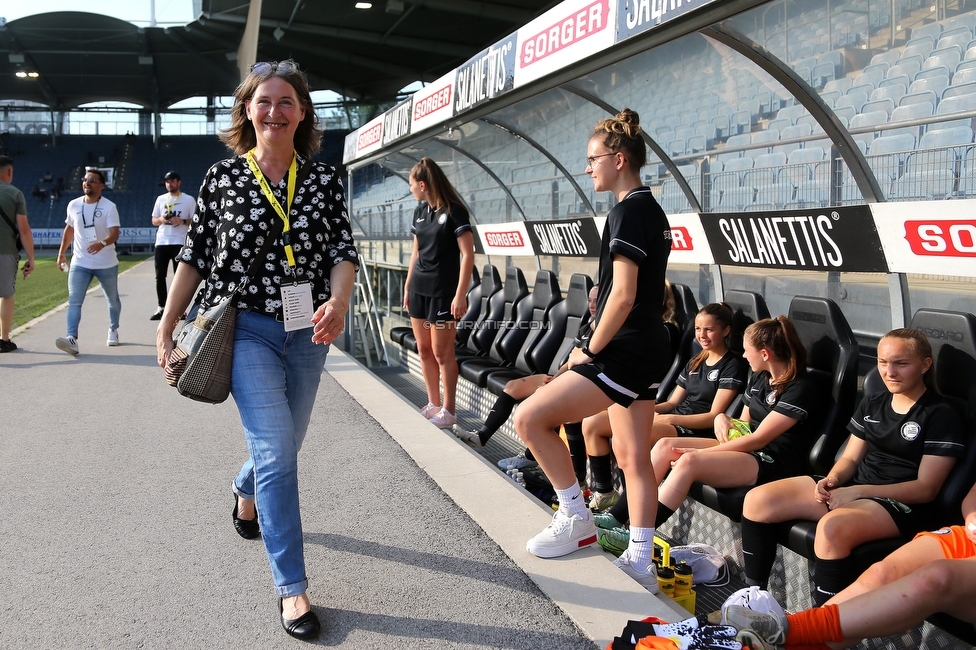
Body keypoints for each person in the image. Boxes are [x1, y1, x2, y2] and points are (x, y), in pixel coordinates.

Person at [155, 59, 357, 641]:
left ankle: (244, 492)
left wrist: (338, 302)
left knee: (284, 447)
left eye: (286, 101)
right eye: (263, 101)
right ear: (247, 110)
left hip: (308, 329)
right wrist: (167, 329)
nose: (274, 111)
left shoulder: (321, 180)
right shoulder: (221, 179)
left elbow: (341, 251)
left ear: (303, 113)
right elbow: (193, 259)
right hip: (243, 329)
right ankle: (292, 590)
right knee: (276, 451)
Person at [515, 108, 673, 594]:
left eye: (593, 159)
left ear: (619, 158)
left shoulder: (628, 210)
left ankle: (575, 516)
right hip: (648, 346)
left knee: (529, 419)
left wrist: (588, 350)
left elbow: (621, 294)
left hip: (623, 350)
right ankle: (641, 557)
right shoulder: (649, 208)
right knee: (632, 456)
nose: (588, 168)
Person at [739, 328, 966, 604]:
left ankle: (823, 627)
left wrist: (858, 493)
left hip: (901, 504)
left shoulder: (941, 414)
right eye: (883, 362)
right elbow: (849, 458)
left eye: (901, 363)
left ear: (924, 365)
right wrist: (832, 479)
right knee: (758, 500)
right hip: (857, 489)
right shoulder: (873, 401)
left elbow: (926, 489)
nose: (889, 372)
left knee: (832, 528)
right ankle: (754, 598)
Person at [725, 478, 976, 650]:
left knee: (935, 578)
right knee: (879, 574)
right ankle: (785, 639)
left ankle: (789, 629)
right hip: (968, 537)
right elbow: (972, 496)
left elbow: (927, 487)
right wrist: (973, 515)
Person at [592, 302, 748, 552]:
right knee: (606, 422)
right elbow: (673, 402)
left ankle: (622, 517)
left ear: (727, 331)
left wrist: (670, 419)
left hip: (695, 429)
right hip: (675, 420)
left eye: (709, 330)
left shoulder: (732, 364)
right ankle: (611, 500)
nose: (702, 335)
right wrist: (645, 410)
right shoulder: (696, 360)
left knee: (633, 440)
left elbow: (713, 416)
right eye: (698, 329)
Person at [650, 316, 817, 529]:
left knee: (689, 462)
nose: (744, 355)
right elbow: (743, 425)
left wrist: (700, 453)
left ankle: (641, 535)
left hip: (771, 460)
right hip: (746, 449)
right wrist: (721, 417)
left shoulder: (800, 389)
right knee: (666, 445)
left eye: (747, 350)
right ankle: (624, 517)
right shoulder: (760, 378)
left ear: (765, 354)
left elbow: (758, 439)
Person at [453, 283, 599, 487]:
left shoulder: (607, 330)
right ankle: (481, 437)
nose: (592, 305)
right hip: (565, 377)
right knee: (513, 386)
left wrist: (555, 386)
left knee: (555, 404)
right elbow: (569, 361)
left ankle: (572, 475)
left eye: (597, 300)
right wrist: (555, 379)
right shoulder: (586, 327)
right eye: (589, 300)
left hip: (586, 386)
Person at [402, 157, 475, 429]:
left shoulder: (456, 211)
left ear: (423, 184)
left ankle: (449, 410)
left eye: (412, 185)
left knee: (442, 352)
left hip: (444, 293)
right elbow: (416, 253)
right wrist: (408, 287)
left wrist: (461, 294)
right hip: (420, 290)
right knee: (423, 350)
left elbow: (468, 255)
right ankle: (433, 403)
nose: (411, 190)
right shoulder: (420, 212)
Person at [55, 168, 121, 355]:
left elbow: (115, 233)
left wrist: (101, 243)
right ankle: (71, 339)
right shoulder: (74, 205)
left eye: (92, 180)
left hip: (106, 263)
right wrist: (61, 254)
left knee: (113, 300)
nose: (87, 182)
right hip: (80, 262)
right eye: (85, 179)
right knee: (74, 301)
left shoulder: (109, 207)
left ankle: (113, 329)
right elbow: (69, 230)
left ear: (101, 185)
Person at [149, 171, 196, 320]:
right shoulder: (161, 199)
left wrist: (181, 221)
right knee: (160, 276)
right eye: (167, 181)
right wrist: (162, 219)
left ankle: (180, 310)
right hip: (162, 241)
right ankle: (161, 307)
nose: (169, 184)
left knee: (180, 278)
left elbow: (196, 220)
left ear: (178, 182)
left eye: (172, 181)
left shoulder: (188, 200)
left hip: (179, 241)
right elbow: (153, 220)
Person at [0, 155, 34, 352]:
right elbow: (24, 230)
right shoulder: (15, 194)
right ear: (10, 172)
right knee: (5, 295)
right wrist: (31, 258)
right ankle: (3, 340)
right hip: (5, 250)